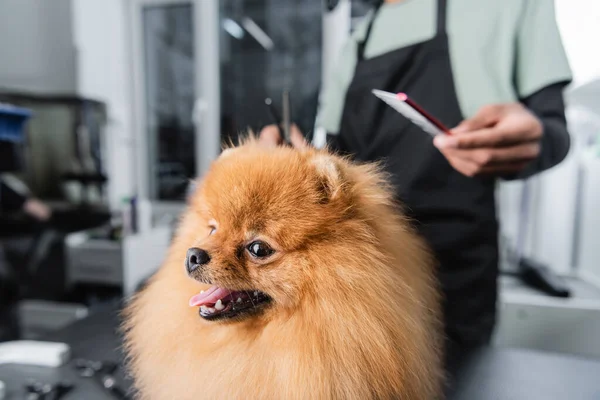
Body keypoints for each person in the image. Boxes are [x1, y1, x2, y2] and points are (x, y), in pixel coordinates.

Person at [259, 0, 572, 391]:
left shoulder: (511, 7)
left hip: (456, 274)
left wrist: (536, 137)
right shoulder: (360, 38)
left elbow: (554, 132)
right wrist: (291, 161)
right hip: (367, 282)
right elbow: (337, 162)